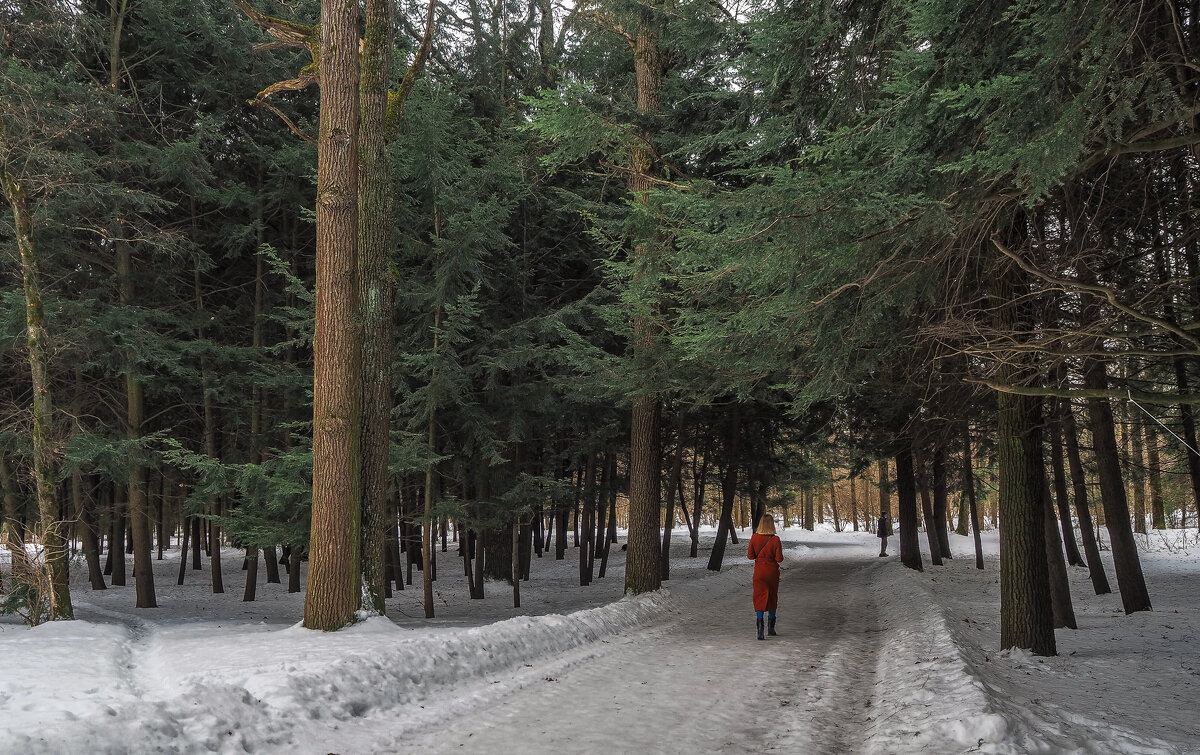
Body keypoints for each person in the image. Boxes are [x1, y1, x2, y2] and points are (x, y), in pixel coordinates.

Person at [747, 514, 783, 640]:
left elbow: (750, 556)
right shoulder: (775, 539)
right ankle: (771, 628)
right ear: (772, 524)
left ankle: (760, 628)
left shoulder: (754, 538)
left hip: (759, 572)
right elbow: (779, 559)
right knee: (772, 597)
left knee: (759, 597)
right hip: (772, 572)